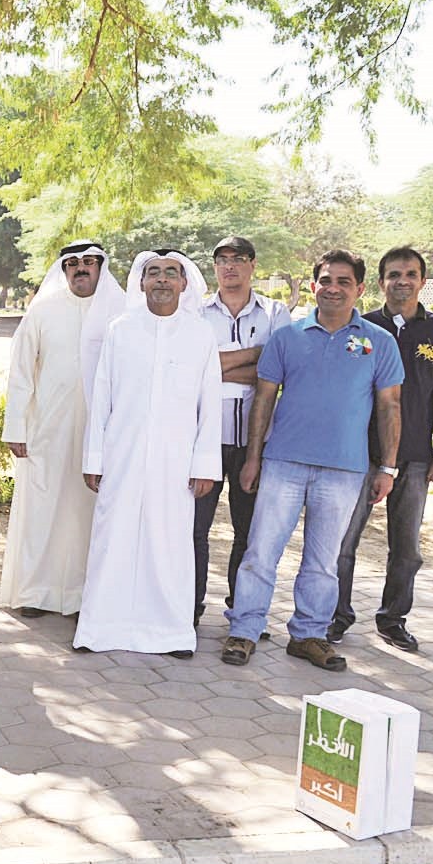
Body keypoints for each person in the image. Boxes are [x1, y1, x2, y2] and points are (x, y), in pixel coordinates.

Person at [222, 250, 404, 672]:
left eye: (344, 281)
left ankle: (308, 634)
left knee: (324, 561)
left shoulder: (379, 342)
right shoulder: (288, 337)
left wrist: (388, 468)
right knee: (260, 551)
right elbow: (264, 398)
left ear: (360, 288)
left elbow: (390, 407)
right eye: (326, 280)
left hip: (345, 469)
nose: (334, 288)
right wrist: (253, 459)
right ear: (312, 286)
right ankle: (245, 630)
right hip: (283, 462)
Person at [74, 250, 221, 656]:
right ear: (140, 283)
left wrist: (205, 464)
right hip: (122, 454)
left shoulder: (199, 334)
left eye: (169, 274)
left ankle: (170, 634)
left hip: (176, 462)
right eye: (152, 273)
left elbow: (209, 406)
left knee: (169, 543)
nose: (161, 280)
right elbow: (101, 397)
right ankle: (99, 629)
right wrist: (94, 459)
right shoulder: (120, 329)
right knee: (112, 539)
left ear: (183, 283)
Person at [331, 247, 433, 652]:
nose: (401, 281)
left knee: (406, 548)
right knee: (342, 542)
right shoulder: (361, 327)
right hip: (361, 455)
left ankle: (392, 619)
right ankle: (336, 615)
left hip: (417, 458)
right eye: (393, 274)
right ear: (381, 282)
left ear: (422, 280)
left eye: (410, 274)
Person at [0, 240, 124, 618]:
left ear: (101, 267)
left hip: (101, 433)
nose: (81, 269)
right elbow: (20, 371)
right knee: (43, 509)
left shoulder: (120, 313)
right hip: (47, 429)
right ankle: (37, 593)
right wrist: (15, 427)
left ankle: (85, 596)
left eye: (88, 262)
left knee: (88, 512)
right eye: (73, 263)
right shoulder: (43, 311)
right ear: (64, 270)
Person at [193, 236, 291, 627]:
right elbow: (193, 370)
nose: (229, 266)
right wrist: (255, 355)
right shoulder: (196, 313)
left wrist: (220, 366)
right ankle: (188, 609)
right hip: (204, 442)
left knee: (249, 533)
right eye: (221, 260)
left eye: (238, 259)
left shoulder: (274, 312)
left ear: (253, 265)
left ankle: (243, 613)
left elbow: (279, 371)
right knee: (194, 530)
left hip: (257, 443)